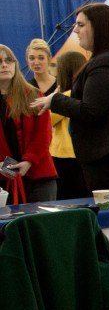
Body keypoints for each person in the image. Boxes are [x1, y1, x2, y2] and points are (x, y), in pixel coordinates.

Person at [30, 3, 109, 195]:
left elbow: (91, 110)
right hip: (108, 153)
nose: (75, 30)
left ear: (99, 27)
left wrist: (55, 100)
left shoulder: (108, 62)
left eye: (81, 25)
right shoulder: (108, 59)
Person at [1, 44, 57, 203]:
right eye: (0, 61)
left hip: (38, 174)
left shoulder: (32, 94)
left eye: (9, 60)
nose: (5, 65)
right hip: (3, 178)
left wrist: (29, 160)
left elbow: (44, 134)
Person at [48, 51, 89, 199]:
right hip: (82, 152)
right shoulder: (86, 94)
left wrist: (54, 96)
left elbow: (48, 119)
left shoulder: (65, 96)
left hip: (64, 154)